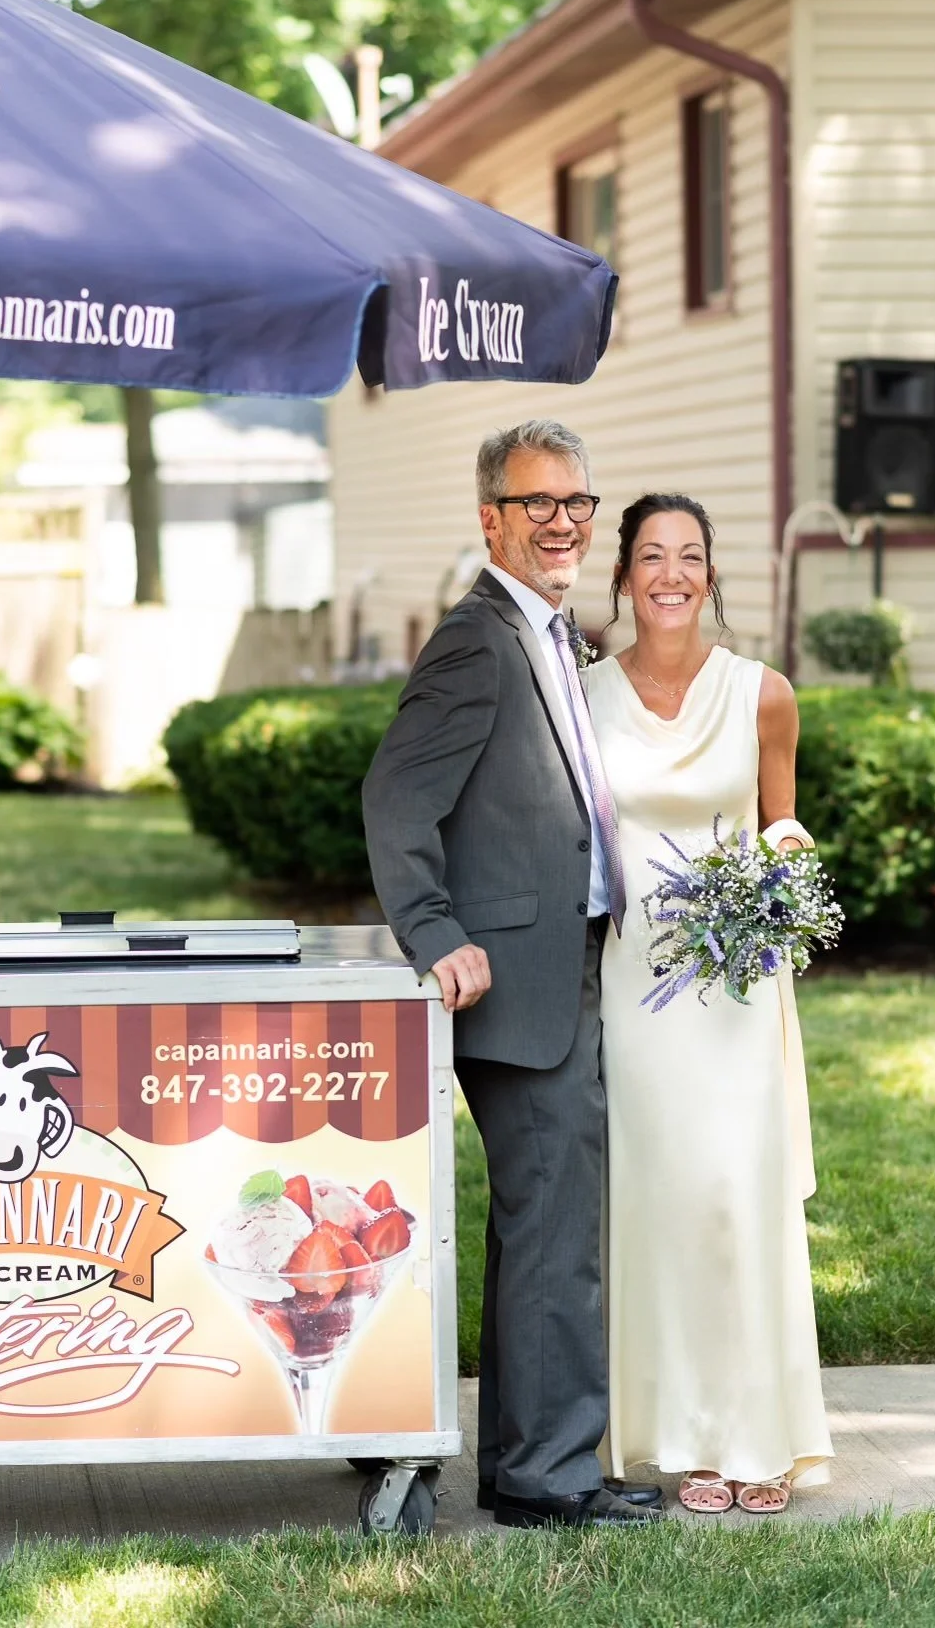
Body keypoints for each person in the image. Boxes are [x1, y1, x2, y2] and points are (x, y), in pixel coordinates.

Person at [362, 420, 662, 1529]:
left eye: (576, 504)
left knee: (545, 1222)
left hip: (570, 964)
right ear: (489, 517)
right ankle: (548, 1478)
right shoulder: (475, 638)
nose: (561, 523)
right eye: (537, 504)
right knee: (552, 1226)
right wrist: (434, 933)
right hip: (514, 984)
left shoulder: (548, 630)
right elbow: (396, 798)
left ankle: (533, 1460)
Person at [585, 492, 833, 1514]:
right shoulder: (583, 694)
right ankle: (683, 1438)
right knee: (662, 1205)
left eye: (689, 556)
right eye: (651, 556)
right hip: (637, 984)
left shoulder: (763, 693)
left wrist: (783, 875)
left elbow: (782, 822)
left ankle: (760, 1437)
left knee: (738, 1199)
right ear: (625, 575)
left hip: (735, 983)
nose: (671, 575)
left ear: (711, 573)